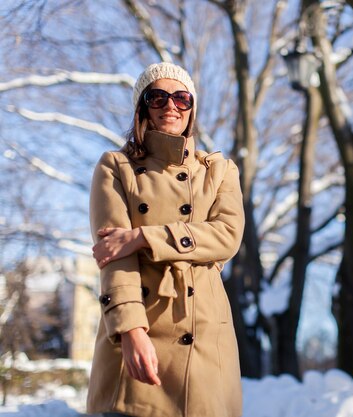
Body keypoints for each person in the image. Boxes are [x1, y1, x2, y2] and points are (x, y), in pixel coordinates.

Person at [87, 62, 244, 417]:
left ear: (192, 109)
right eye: (157, 97)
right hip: (140, 324)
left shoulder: (219, 171)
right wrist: (130, 331)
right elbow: (114, 255)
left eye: (181, 98)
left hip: (204, 334)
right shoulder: (116, 166)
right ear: (142, 107)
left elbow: (227, 236)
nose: (170, 105)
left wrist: (144, 237)